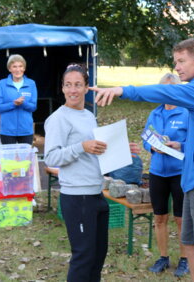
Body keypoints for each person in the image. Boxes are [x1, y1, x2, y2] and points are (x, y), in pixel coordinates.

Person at [92, 38, 194, 282]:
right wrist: (181, 145)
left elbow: (165, 91)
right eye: (175, 62)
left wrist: (122, 90)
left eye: (181, 61)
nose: (177, 67)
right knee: (190, 244)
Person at [45, 63, 139, 281]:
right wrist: (81, 147)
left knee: (97, 256)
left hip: (97, 193)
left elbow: (96, 150)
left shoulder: (88, 115)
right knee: (83, 257)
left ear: (87, 87)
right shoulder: (59, 118)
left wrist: (120, 147)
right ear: (62, 88)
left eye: (78, 84)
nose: (73, 90)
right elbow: (50, 157)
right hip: (77, 197)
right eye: (68, 85)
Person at [143, 73, 189, 277]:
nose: (166, 94)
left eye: (170, 90)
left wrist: (179, 145)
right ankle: (163, 257)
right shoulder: (155, 113)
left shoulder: (187, 113)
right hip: (157, 172)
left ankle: (185, 259)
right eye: (163, 90)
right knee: (160, 217)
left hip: (179, 173)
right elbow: (146, 138)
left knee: (181, 220)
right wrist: (154, 147)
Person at [0, 54, 37, 145]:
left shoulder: (31, 83)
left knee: (25, 159)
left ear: (24, 68)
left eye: (20, 66)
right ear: (9, 69)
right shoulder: (2, 84)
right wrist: (13, 104)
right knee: (9, 159)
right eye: (14, 67)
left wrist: (23, 103)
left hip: (26, 130)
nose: (18, 70)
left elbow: (33, 107)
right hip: (7, 131)